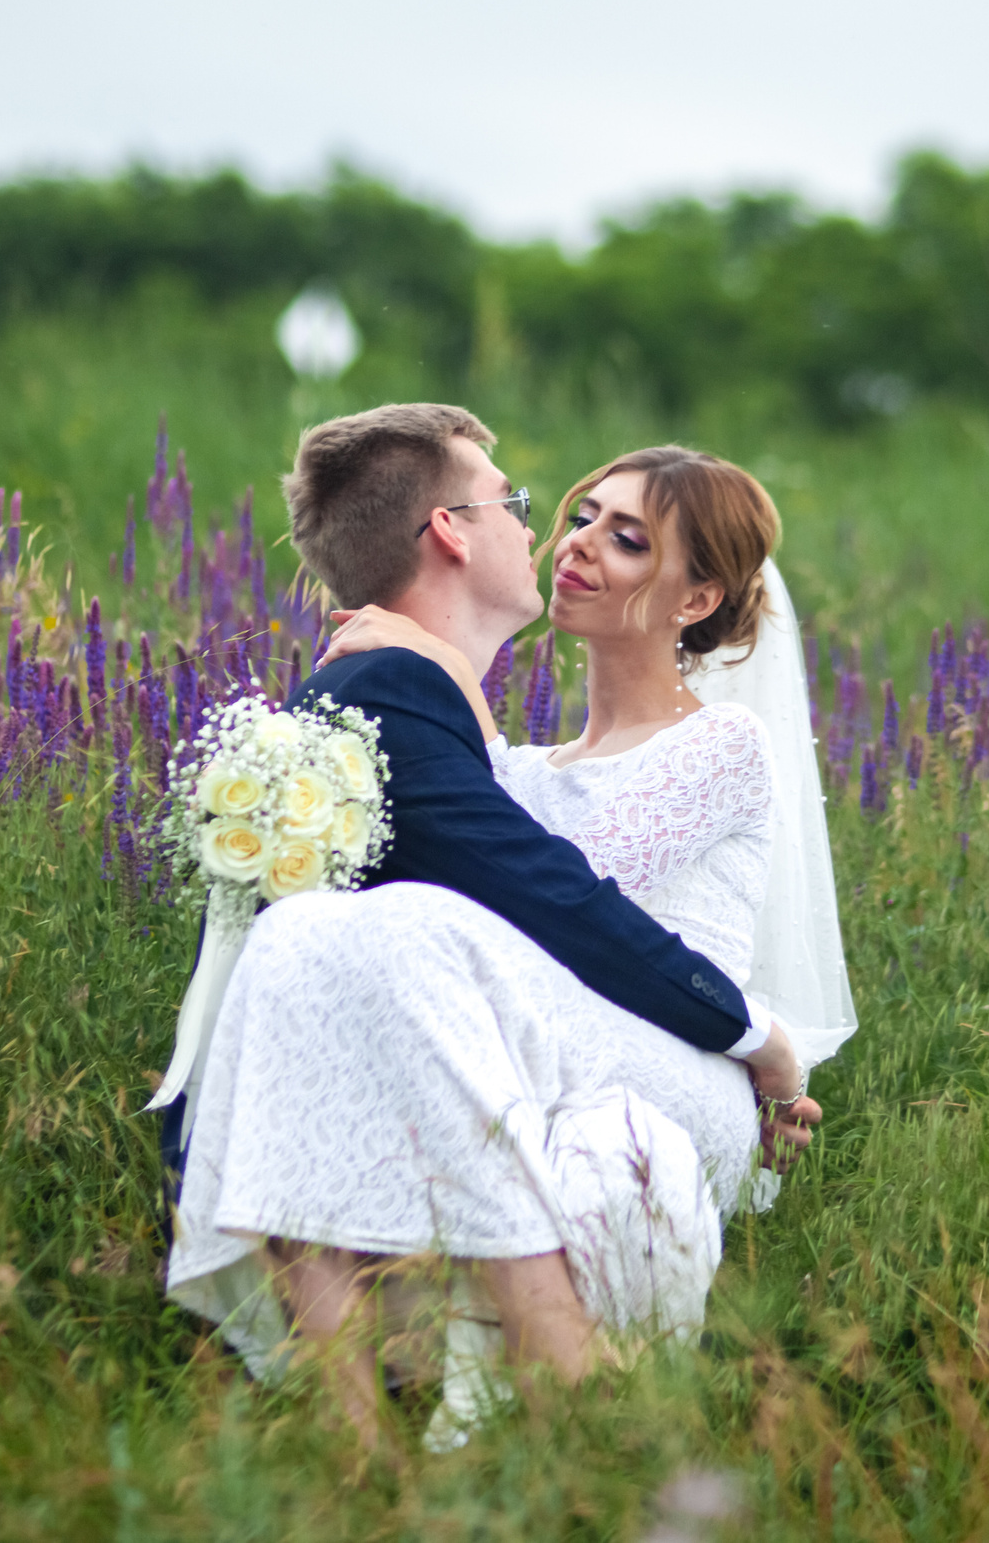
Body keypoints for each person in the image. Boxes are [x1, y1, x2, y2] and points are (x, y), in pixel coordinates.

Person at [152, 405, 853, 1449]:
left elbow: (561, 898)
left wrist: (766, 1046)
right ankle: (349, 1437)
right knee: (303, 941)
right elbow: (504, 854)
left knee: (415, 921)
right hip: (554, 1042)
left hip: (678, 1057)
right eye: (579, 516)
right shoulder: (521, 766)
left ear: (696, 597)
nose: (576, 543)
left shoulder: (720, 748)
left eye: (628, 537)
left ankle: (558, 1351)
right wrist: (449, 692)